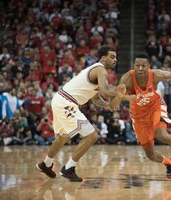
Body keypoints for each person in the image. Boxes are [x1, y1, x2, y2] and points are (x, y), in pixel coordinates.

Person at [36, 46, 126, 182]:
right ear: (103, 58)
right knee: (92, 136)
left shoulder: (97, 71)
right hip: (66, 102)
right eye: (112, 57)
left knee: (63, 137)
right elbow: (106, 91)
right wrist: (119, 93)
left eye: (116, 57)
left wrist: (107, 105)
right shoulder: (100, 69)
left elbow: (96, 99)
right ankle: (69, 168)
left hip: (62, 100)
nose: (115, 59)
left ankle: (46, 164)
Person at [110, 53, 171, 179]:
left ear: (148, 66)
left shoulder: (154, 75)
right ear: (134, 66)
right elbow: (113, 105)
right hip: (138, 116)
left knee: (162, 135)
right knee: (150, 155)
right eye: (137, 65)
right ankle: (169, 163)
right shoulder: (127, 78)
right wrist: (120, 96)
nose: (140, 68)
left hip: (155, 107)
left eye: (143, 65)